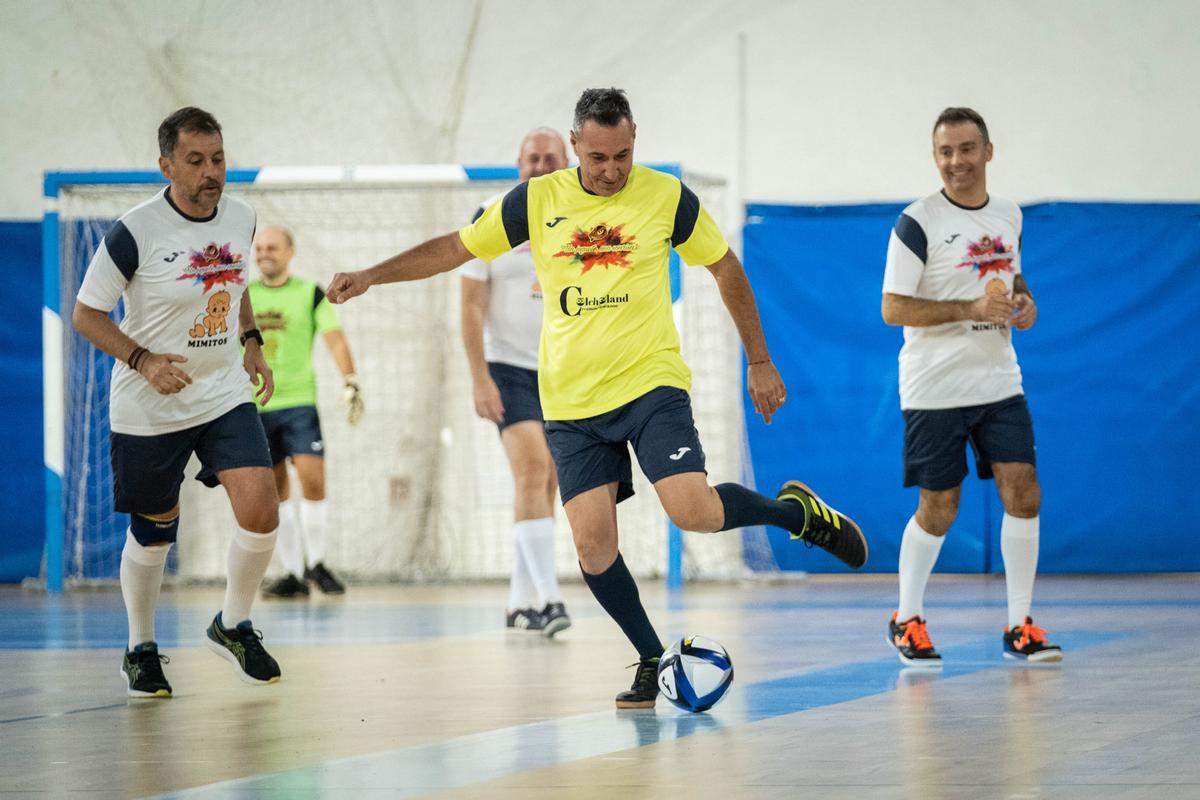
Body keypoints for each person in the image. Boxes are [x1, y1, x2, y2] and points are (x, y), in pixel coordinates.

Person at [327, 88, 868, 708]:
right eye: (599, 158)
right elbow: (455, 248)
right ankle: (650, 657)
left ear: (635, 138)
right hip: (571, 403)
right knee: (591, 545)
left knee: (692, 511)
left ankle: (796, 515)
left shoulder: (666, 197)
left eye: (624, 155)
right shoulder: (536, 201)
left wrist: (761, 360)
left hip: (650, 384)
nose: (611, 171)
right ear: (575, 145)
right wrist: (372, 274)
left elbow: (725, 267)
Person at [72, 107, 283, 697]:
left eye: (218, 159)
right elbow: (86, 314)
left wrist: (251, 344)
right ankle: (140, 647)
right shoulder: (134, 231)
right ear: (165, 164)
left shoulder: (241, 217)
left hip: (221, 393)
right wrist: (142, 360)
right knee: (157, 528)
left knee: (262, 506)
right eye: (195, 161)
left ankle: (233, 624)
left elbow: (234, 284)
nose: (211, 172)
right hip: (149, 402)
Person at [881, 106, 1062, 667]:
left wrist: (1024, 305)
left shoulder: (1008, 216)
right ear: (935, 157)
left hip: (999, 380)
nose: (956, 161)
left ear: (988, 151)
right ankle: (906, 617)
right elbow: (892, 308)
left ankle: (1019, 626)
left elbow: (1012, 280)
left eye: (965, 149)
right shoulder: (918, 221)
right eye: (944, 152)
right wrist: (970, 307)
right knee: (940, 506)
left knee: (1023, 491)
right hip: (934, 387)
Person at [460, 128, 571, 636]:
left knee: (546, 480)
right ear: (518, 163)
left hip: (565, 370)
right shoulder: (491, 214)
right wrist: (480, 377)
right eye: (533, 158)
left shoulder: (581, 216)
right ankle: (549, 600)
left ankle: (518, 600)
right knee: (532, 470)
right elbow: (470, 303)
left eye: (551, 158)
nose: (542, 166)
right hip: (509, 368)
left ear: (567, 161)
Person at [251, 226, 362, 599]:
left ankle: (316, 562)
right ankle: (293, 573)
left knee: (313, 481)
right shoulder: (242, 298)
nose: (264, 253)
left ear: (290, 253)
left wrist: (350, 380)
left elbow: (335, 339)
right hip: (256, 406)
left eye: (272, 247)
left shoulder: (310, 294)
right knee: (275, 491)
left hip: (299, 404)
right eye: (259, 248)